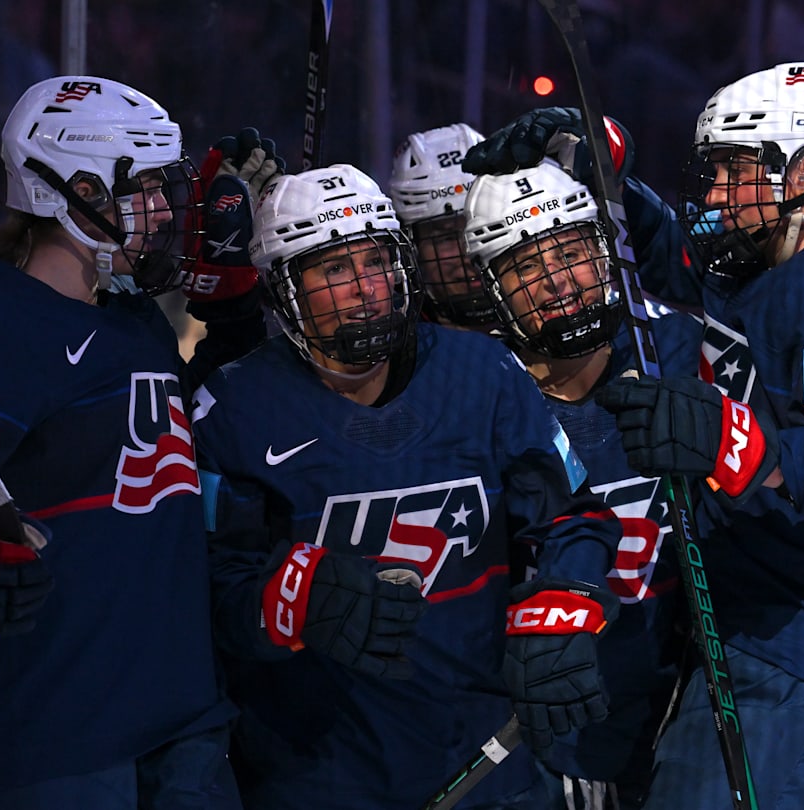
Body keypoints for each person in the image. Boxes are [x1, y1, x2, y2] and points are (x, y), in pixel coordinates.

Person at [461, 63, 804, 808]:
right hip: (799, 643)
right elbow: (675, 265)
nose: (717, 195)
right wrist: (596, 175)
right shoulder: (784, 265)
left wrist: (729, 441)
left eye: (737, 172)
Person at [0, 75, 274, 808]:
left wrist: (232, 319)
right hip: (49, 744)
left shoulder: (136, 320)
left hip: (184, 734)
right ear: (75, 192)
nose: (167, 210)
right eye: (148, 190)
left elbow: (185, 453)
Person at [194, 164, 625, 809]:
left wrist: (563, 603)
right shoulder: (230, 406)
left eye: (375, 261)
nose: (365, 289)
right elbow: (207, 591)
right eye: (334, 270)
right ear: (283, 287)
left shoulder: (481, 369)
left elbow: (572, 516)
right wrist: (292, 601)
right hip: (319, 772)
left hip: (485, 759)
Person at [463, 158, 691, 809]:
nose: (558, 282)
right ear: (491, 289)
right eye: (527, 266)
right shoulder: (473, 401)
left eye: (572, 252)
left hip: (680, 736)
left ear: (606, 250)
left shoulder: (682, 351)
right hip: (534, 757)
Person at [389, 122, 499, 331]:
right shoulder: (400, 349)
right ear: (413, 248)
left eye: (484, 227)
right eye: (446, 237)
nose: (470, 255)